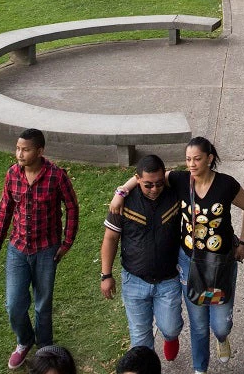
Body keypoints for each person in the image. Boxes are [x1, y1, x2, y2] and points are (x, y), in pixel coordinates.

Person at [112, 138, 244, 374]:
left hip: (221, 264)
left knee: (220, 325)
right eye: (188, 159)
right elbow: (144, 177)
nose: (191, 164)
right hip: (189, 263)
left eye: (197, 159)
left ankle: (221, 338)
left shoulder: (226, 185)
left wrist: (242, 241)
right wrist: (121, 191)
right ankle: (200, 369)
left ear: (209, 159)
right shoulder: (180, 180)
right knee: (198, 326)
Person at [0, 129, 79, 370]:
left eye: (25, 149)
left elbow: (72, 207)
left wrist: (66, 243)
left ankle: (45, 349)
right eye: (18, 148)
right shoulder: (12, 174)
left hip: (46, 250)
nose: (19, 153)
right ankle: (25, 341)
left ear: (40, 151)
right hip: (18, 249)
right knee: (14, 304)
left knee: (43, 304)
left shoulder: (56, 176)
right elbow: (4, 211)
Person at [101, 155, 183, 362]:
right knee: (140, 341)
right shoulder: (123, 203)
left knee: (171, 327)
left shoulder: (175, 193)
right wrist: (106, 275)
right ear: (137, 179)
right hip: (134, 281)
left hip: (168, 280)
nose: (154, 189)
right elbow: (110, 238)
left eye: (158, 184)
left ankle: (171, 338)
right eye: (148, 185)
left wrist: (122, 188)